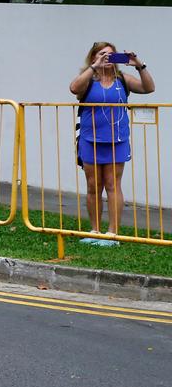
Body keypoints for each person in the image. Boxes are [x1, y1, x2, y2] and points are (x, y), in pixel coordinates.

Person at [68, 41, 155, 245]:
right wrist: (94, 68)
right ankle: (95, 231)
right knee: (93, 186)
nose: (107, 58)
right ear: (93, 57)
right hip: (91, 140)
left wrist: (139, 64)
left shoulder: (123, 79)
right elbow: (74, 89)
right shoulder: (89, 80)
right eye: (102, 55)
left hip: (117, 140)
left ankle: (112, 233)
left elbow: (149, 88)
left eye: (111, 55)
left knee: (112, 184)